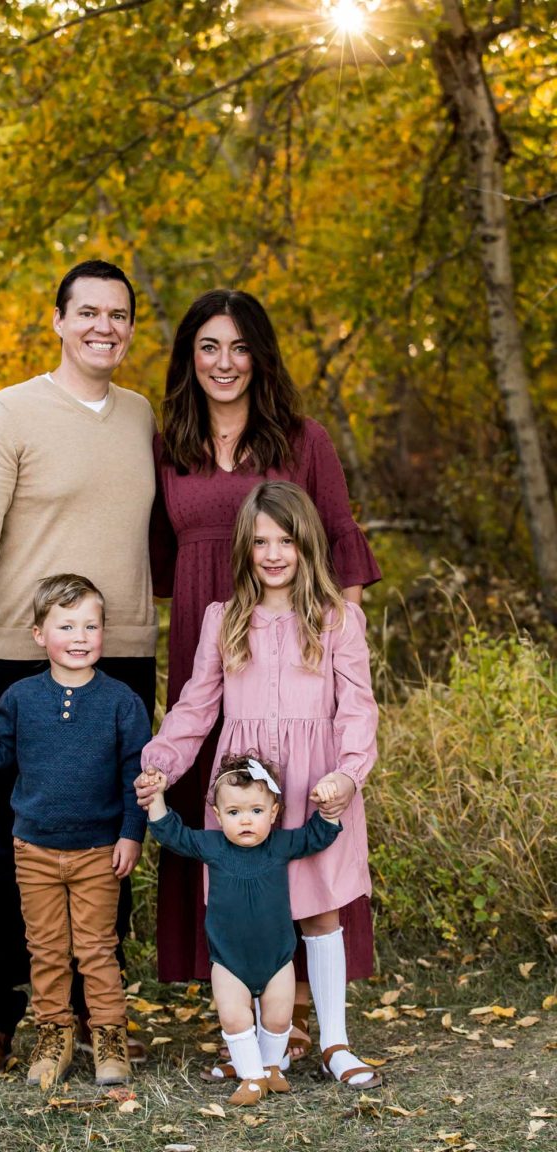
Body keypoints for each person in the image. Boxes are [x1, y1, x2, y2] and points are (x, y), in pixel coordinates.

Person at [0, 260, 158, 1079]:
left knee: (114, 845)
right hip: (28, 665)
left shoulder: (142, 418)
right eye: (88, 312)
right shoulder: (8, 415)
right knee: (13, 841)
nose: (105, 326)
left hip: (126, 659)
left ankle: (100, 1017)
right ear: (58, 321)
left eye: (120, 314)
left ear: (132, 326)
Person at [149, 289, 381, 1058]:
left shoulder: (301, 438)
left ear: (261, 355)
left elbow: (337, 538)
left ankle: (310, 1022)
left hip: (303, 649)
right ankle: (244, 1013)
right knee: (230, 831)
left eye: (240, 346)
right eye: (209, 347)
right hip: (213, 629)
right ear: (190, 355)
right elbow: (153, 548)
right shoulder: (170, 439)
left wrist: (337, 631)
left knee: (309, 872)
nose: (224, 362)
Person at [139, 480, 381, 1089]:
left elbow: (357, 707)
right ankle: (248, 1046)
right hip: (247, 791)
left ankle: (334, 1043)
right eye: (260, 542)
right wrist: (163, 760)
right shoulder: (226, 620)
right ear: (245, 548)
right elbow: (196, 705)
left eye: (287, 540)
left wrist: (349, 775)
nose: (273, 554)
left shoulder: (336, 620)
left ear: (307, 546)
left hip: (316, 783)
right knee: (242, 911)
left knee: (321, 913)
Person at [0, 574, 150, 1089]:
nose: (80, 636)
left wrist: (132, 833)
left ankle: (107, 1035)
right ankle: (53, 1035)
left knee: (97, 948)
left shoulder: (122, 702)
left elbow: (135, 775)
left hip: (99, 851)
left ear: (105, 631)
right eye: (66, 625)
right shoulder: (20, 697)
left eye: (91, 624)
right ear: (39, 634)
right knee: (46, 950)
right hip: (34, 849)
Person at [143, 753, 341, 1105]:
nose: (245, 821)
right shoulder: (213, 846)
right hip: (229, 960)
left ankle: (270, 1067)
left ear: (274, 813)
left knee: (279, 1018)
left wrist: (328, 812)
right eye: (234, 813)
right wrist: (156, 799)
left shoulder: (280, 846)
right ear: (218, 816)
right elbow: (173, 835)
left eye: (256, 811)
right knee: (235, 1018)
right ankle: (251, 1077)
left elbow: (316, 837)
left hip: (277, 957)